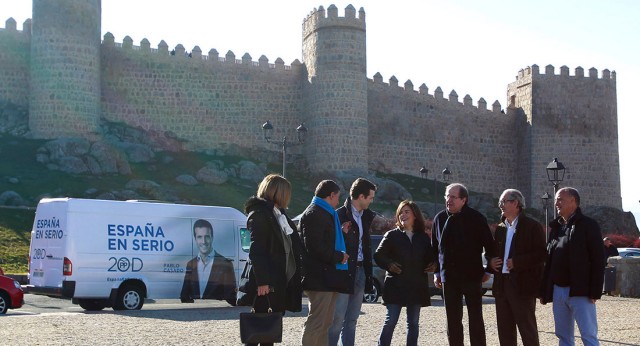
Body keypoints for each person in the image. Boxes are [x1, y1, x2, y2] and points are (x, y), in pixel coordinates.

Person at [432, 183, 496, 346]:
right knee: (452, 320)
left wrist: (488, 270)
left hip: (471, 276)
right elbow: (435, 249)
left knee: (475, 318)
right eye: (447, 196)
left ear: (464, 200)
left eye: (453, 197)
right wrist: (437, 273)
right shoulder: (439, 219)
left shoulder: (476, 218)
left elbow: (490, 246)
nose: (449, 200)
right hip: (449, 278)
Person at [243, 173, 304, 346]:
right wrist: (263, 282)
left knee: (269, 330)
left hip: (278, 281)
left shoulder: (279, 215)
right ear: (279, 193)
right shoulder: (261, 215)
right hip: (267, 283)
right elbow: (257, 251)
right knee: (259, 330)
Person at [539, 187, 605, 346]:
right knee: (563, 336)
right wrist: (544, 290)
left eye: (560, 199)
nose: (556, 203)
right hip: (558, 291)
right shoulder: (556, 228)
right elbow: (549, 261)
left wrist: (595, 291)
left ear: (573, 201)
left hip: (581, 291)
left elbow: (598, 259)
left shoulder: (589, 225)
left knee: (588, 335)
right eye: (556, 200)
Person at [374, 200, 436, 346]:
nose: (402, 215)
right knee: (390, 322)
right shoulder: (391, 235)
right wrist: (389, 264)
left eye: (406, 211)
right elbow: (378, 256)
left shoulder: (423, 237)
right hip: (395, 286)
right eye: (400, 212)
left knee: (413, 324)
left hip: (416, 286)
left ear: (415, 215)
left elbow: (431, 257)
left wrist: (435, 265)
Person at [489, 189, 546, 346]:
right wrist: (491, 262)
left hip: (522, 286)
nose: (500, 205)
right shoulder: (500, 228)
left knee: (527, 330)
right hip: (502, 286)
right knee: (505, 331)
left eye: (503, 202)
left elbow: (541, 254)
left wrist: (517, 262)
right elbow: (493, 253)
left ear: (515, 203)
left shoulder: (532, 226)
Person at [300, 180, 349, 346]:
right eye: (338, 197)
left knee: (325, 323)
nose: (338, 202)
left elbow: (324, 240)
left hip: (327, 277)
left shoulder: (325, 213)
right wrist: (339, 256)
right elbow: (314, 247)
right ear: (331, 195)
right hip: (319, 278)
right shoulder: (314, 213)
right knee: (316, 323)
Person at [329, 178, 377, 346]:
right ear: (361, 196)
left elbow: (366, 246)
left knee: (352, 319)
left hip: (361, 271)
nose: (372, 201)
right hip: (343, 271)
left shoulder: (366, 217)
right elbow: (330, 243)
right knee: (337, 318)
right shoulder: (339, 215)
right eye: (370, 197)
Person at [180, 219, 236, 302]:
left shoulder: (225, 264)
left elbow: (230, 298)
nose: (203, 241)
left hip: (216, 313)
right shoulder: (191, 264)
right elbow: (184, 295)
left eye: (207, 236)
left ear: (212, 238)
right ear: (195, 239)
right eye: (199, 237)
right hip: (196, 313)